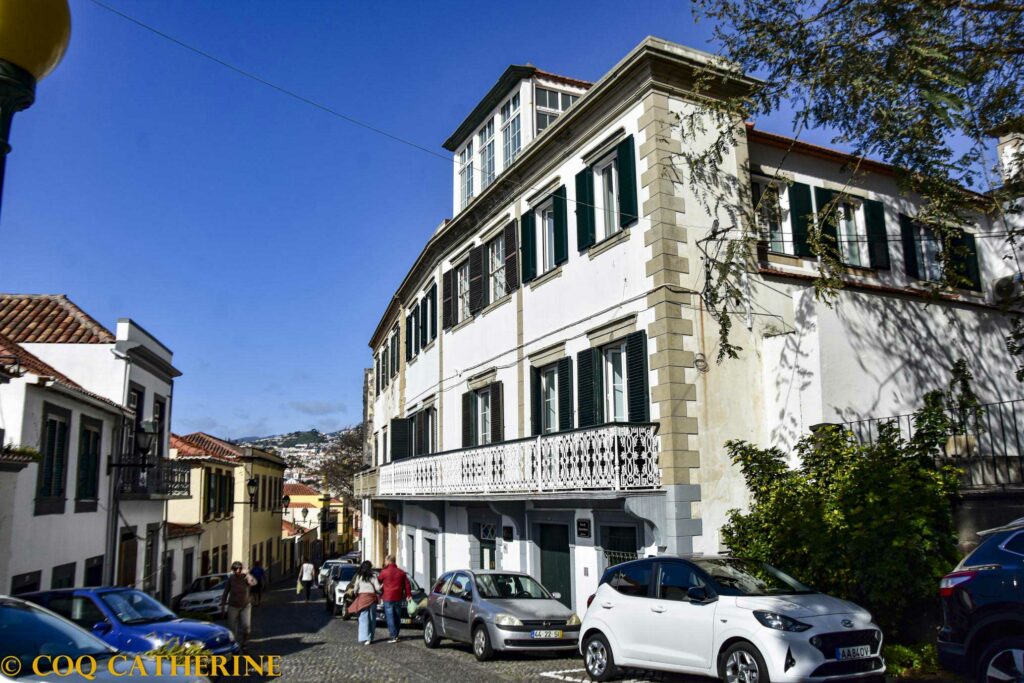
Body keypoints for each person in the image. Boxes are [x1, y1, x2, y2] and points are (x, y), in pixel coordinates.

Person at [221, 561, 257, 653]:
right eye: (235, 569)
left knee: (246, 626)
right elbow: (226, 592)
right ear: (232, 570)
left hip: (245, 606)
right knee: (232, 628)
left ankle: (244, 643)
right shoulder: (231, 579)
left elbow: (253, 583)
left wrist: (248, 574)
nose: (238, 570)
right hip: (233, 606)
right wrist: (223, 606)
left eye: (240, 568)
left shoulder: (245, 578)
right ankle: (234, 645)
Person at [378, 554, 411, 643]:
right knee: (397, 617)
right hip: (398, 597)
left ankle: (393, 636)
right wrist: (408, 595)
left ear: (388, 561)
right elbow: (407, 584)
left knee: (390, 617)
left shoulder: (384, 572)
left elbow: (378, 580)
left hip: (387, 597)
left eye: (385, 561)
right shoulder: (401, 572)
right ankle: (396, 634)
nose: (384, 562)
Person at [349, 561, 381, 645]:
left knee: (363, 618)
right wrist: (382, 586)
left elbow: (355, 588)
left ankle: (364, 637)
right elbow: (377, 588)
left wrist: (356, 594)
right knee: (372, 618)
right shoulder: (373, 576)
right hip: (372, 599)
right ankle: (370, 637)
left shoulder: (359, 576)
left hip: (362, 598)